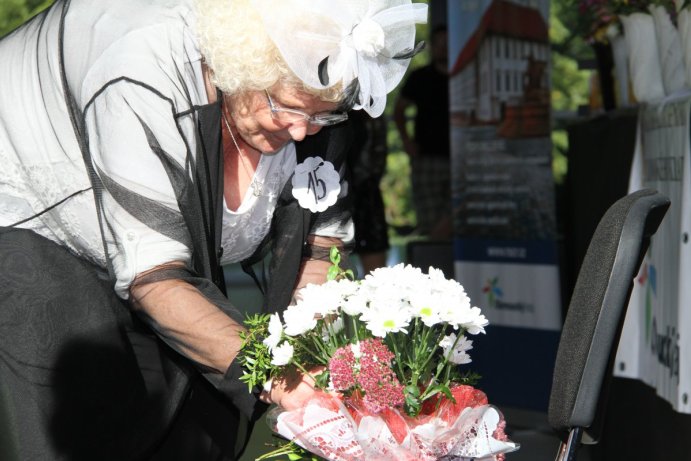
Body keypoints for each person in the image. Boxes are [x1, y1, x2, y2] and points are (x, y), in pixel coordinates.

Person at [0, 0, 427, 459]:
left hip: (158, 268)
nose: (302, 132)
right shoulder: (141, 74)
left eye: (321, 115)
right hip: (35, 214)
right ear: (239, 70)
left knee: (201, 425)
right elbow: (155, 280)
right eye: (286, 107)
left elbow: (322, 254)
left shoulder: (320, 95)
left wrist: (314, 363)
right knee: (88, 416)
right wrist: (276, 380)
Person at [394, 24, 451, 239]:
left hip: (462, 159)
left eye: (448, 44)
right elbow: (399, 111)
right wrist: (407, 142)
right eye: (440, 44)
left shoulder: (466, 76)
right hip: (427, 158)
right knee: (430, 220)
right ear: (433, 47)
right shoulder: (420, 78)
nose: (444, 48)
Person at [348, 110, 391, 275]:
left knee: (376, 273)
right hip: (331, 194)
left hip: (366, 191)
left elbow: (378, 153)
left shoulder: (373, 110)